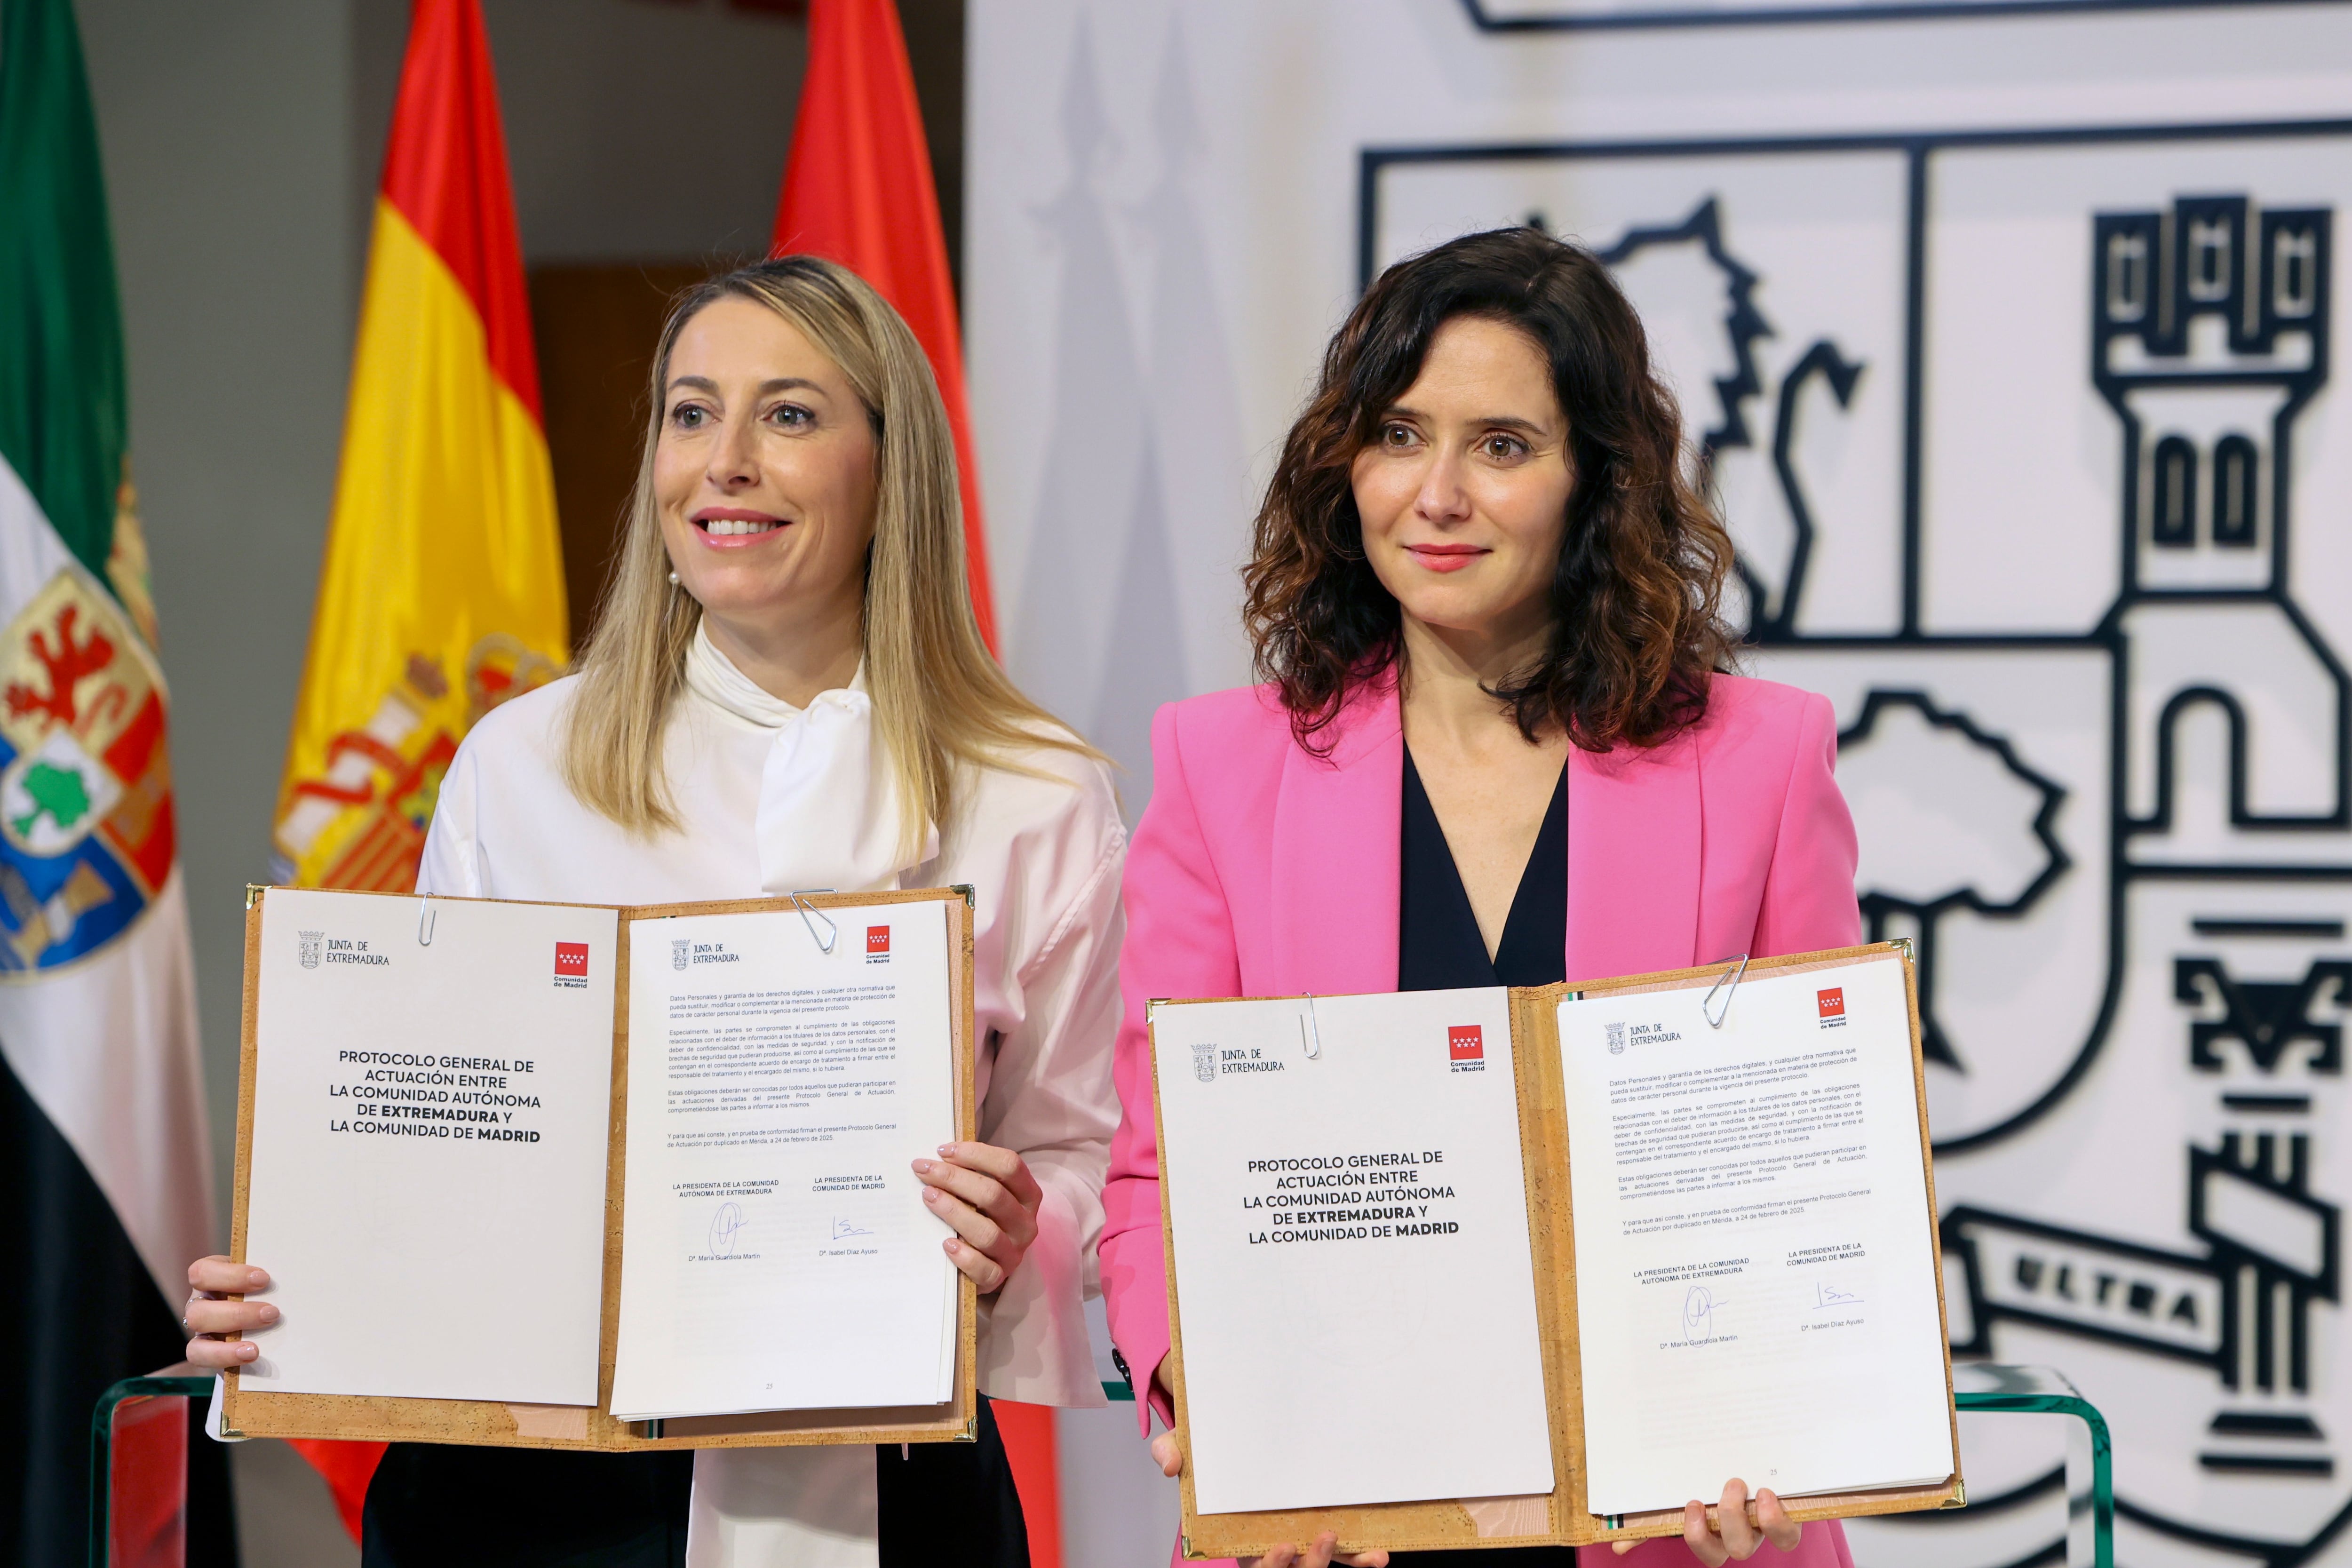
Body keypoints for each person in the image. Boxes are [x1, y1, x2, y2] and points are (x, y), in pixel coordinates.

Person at [182, 256, 1126, 1568]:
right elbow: (439, 1140)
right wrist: (304, 1279)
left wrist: (1024, 1223)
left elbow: (1091, 1161)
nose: (724, 461)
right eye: (692, 413)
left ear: (888, 467)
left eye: (789, 416)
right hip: (522, 1500)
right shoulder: (519, 765)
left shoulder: (1037, 793)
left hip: (888, 1493)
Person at [1099, 226, 1864, 1568]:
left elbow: (1828, 1158)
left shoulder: (1763, 762)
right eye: (1401, 436)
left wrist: (1796, 1419)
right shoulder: (1217, 771)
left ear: (1597, 479)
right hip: (1328, 1523)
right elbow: (1157, 1173)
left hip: (1683, 1529)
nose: (1437, 495)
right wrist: (1200, 1395)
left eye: (1503, 446)